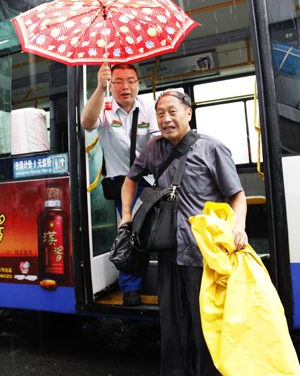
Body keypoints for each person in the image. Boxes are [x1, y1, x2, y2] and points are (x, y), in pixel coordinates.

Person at [120, 90, 248, 375]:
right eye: (160, 113)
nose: (166, 119)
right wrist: (126, 215)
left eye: (172, 111)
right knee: (171, 327)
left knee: (207, 326)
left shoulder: (212, 148)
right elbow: (130, 180)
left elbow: (237, 195)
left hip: (203, 255)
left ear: (188, 113)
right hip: (168, 251)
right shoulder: (153, 148)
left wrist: (238, 227)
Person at [81, 62, 160, 306]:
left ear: (138, 83)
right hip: (123, 184)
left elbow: (158, 141)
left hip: (152, 179)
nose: (125, 86)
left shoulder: (148, 106)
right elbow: (87, 123)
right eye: (118, 81)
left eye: (130, 80)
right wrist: (99, 87)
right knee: (132, 233)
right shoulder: (103, 106)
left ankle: (168, 281)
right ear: (111, 84)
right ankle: (131, 289)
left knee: (161, 230)